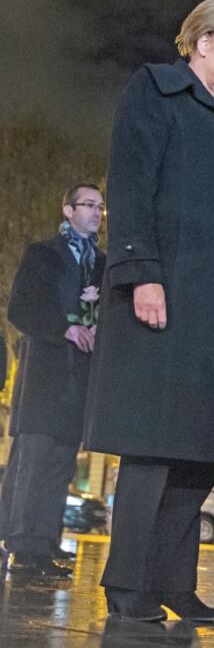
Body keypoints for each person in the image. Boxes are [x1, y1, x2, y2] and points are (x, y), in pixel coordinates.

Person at [83, 0, 214, 623]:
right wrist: (141, 273)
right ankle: (129, 585)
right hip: (165, 298)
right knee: (154, 448)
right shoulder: (155, 90)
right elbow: (132, 182)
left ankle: (174, 582)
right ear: (203, 40)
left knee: (201, 452)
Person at [1, 183, 106, 577]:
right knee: (33, 462)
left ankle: (45, 542)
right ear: (67, 210)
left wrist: (97, 328)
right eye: (88, 205)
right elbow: (21, 309)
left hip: (79, 381)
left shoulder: (102, 263)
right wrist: (65, 328)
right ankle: (21, 545)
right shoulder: (43, 254)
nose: (96, 213)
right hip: (44, 378)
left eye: (100, 207)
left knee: (61, 465)